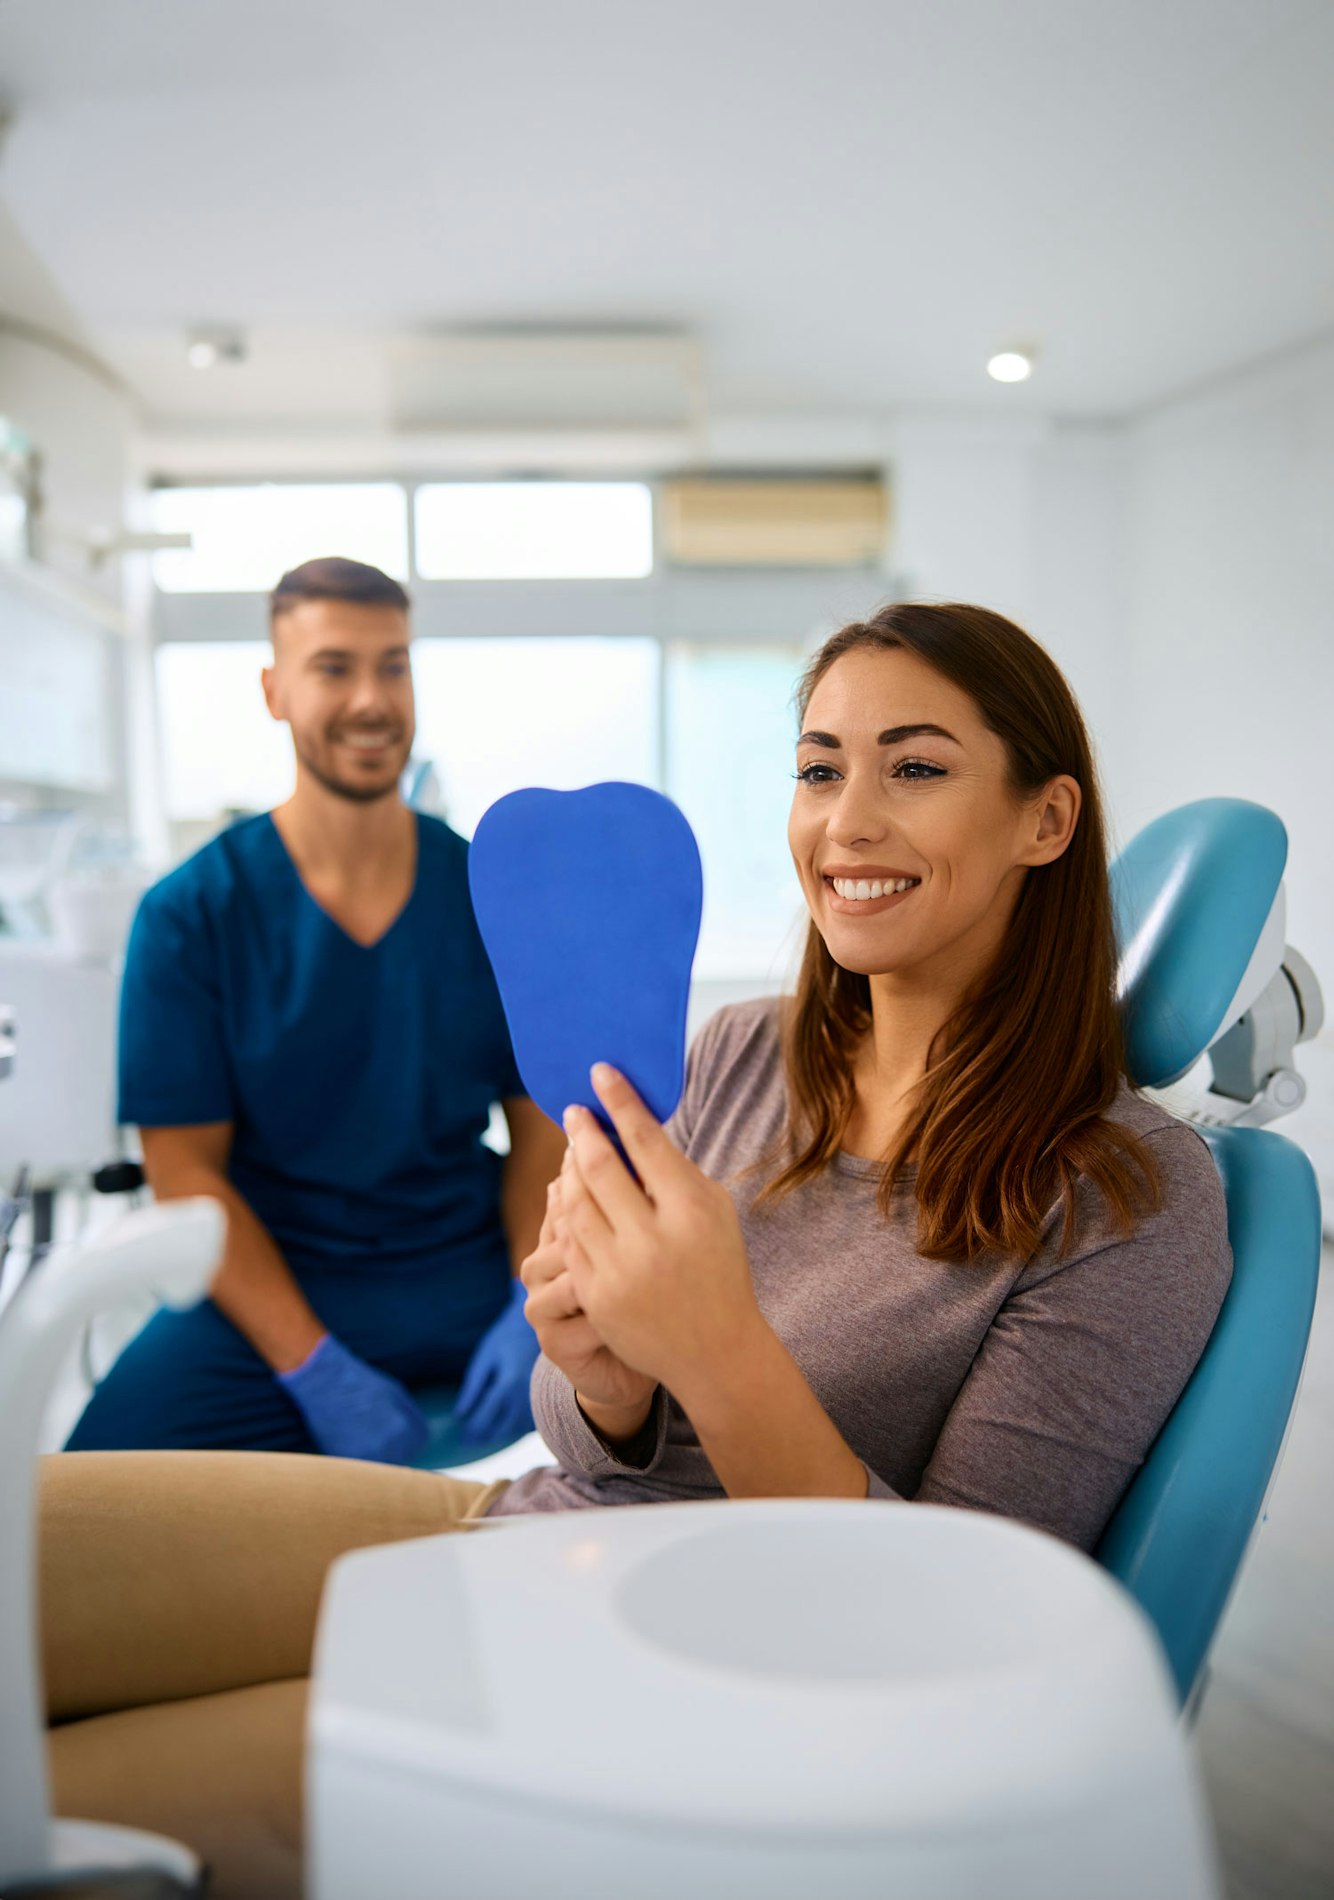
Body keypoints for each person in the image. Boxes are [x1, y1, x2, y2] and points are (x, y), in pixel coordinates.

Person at [40, 603, 1231, 1899]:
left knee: (53, 1802)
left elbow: (946, 1622)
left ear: (1044, 821)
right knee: (25, 1555)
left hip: (714, 1684)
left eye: (917, 768)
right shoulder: (738, 1056)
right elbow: (586, 1436)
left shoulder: (1130, 1197)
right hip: (539, 1537)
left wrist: (718, 1351)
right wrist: (600, 1374)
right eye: (820, 768)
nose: (847, 824)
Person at [65, 556, 567, 1462]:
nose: (372, 700)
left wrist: (532, 1299)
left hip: (462, 1267)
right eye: (335, 667)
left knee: (673, 1420)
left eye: (394, 665)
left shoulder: (489, 892)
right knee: (89, 1495)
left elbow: (536, 1119)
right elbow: (184, 1171)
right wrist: (311, 1366)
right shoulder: (192, 915)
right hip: (271, 1280)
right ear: (274, 690)